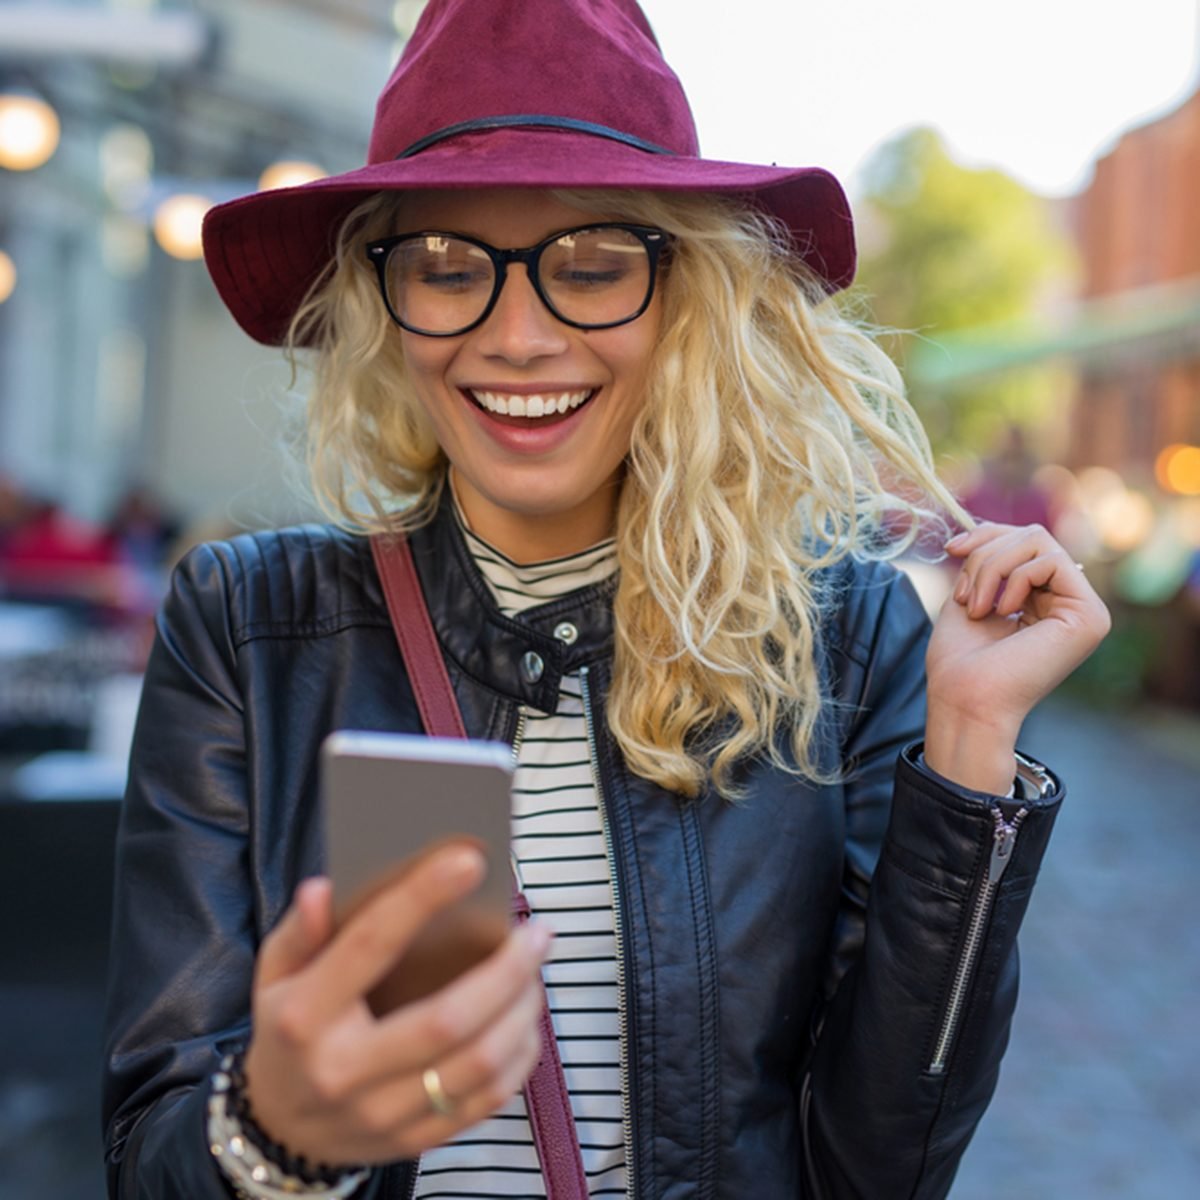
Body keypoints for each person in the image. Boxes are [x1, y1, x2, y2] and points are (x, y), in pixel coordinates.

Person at [101, 2, 1111, 1198]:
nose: (518, 335)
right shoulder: (248, 629)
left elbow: (876, 1167)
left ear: (689, 296)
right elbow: (150, 1154)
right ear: (383, 302)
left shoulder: (848, 638)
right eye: (445, 265)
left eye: (591, 265)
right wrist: (277, 1124)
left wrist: (975, 744)